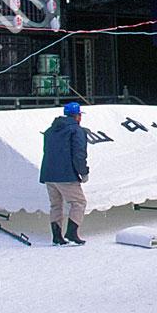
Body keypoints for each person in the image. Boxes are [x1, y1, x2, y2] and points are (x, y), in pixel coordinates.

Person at [39, 101, 89, 245]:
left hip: (49, 174)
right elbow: (79, 154)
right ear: (77, 116)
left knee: (56, 205)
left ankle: (57, 237)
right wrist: (83, 172)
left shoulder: (50, 130)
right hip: (66, 175)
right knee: (79, 202)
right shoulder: (77, 131)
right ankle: (72, 233)